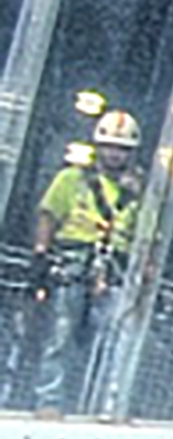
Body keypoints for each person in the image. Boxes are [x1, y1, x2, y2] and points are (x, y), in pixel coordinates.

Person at [17, 117, 147, 411]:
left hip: (115, 270)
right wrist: (40, 255)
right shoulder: (72, 180)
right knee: (60, 334)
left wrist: (146, 279)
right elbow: (48, 217)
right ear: (98, 147)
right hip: (73, 263)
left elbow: (148, 236)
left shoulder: (140, 193)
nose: (115, 155)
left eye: (122, 149)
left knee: (115, 340)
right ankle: (49, 402)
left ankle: (108, 404)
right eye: (110, 147)